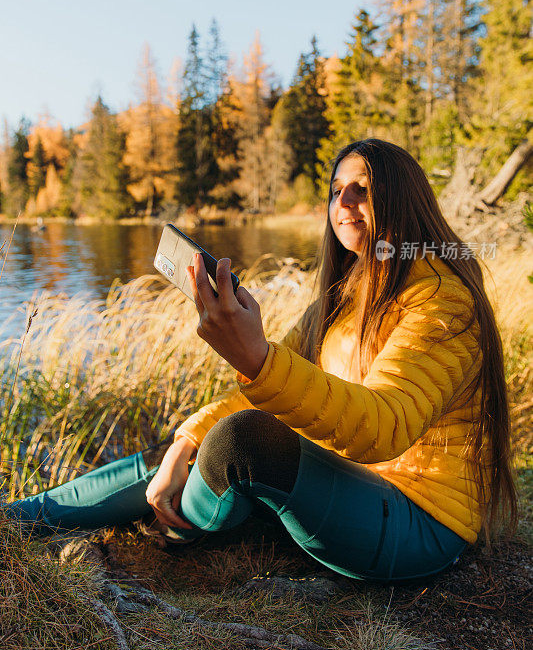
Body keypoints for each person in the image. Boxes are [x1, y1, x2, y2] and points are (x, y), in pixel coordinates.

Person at [5, 138, 517, 582]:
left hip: (420, 519)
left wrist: (257, 358)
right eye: (336, 189)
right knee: (191, 443)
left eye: (364, 187)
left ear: (403, 197)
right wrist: (188, 439)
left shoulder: (444, 300)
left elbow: (384, 427)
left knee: (240, 440)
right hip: (350, 480)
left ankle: (177, 524)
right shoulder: (341, 299)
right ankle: (15, 519)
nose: (345, 201)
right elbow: (258, 388)